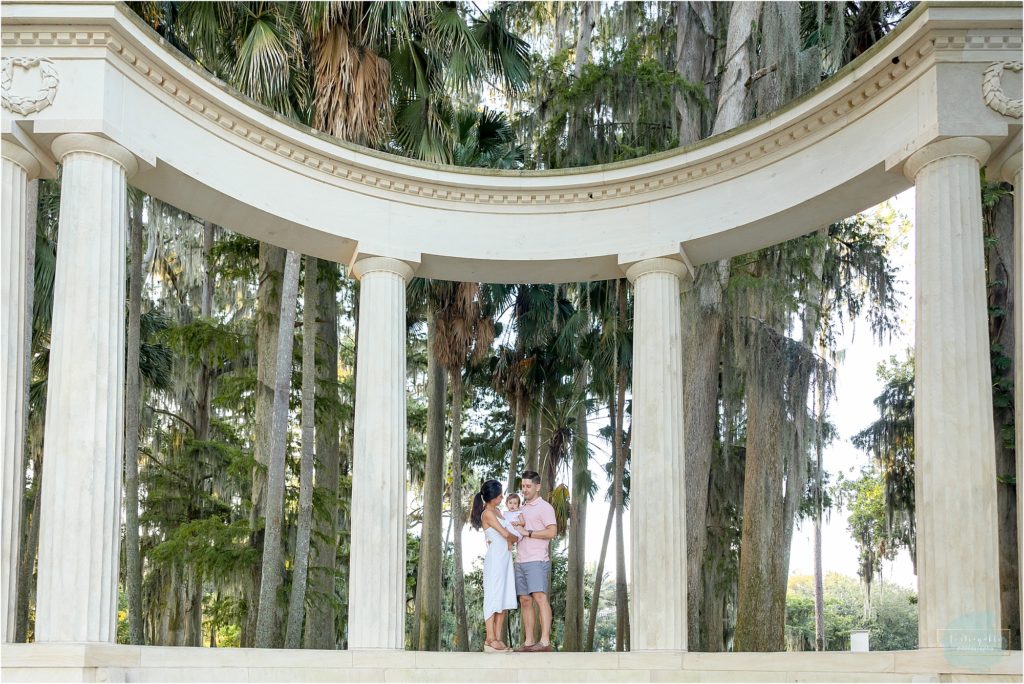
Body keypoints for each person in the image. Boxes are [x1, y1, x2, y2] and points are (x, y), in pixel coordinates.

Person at [511, 470, 557, 652]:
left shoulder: (545, 507)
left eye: (528, 486)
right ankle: (529, 642)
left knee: (539, 597)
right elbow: (515, 533)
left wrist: (528, 533)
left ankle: (545, 642)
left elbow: (552, 532)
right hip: (520, 560)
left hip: (537, 560)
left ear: (537, 487)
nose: (525, 489)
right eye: (523, 486)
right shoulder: (520, 509)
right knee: (524, 600)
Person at [470, 479, 518, 653]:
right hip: (496, 559)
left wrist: (512, 537)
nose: (502, 498)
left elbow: (510, 534)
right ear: (492, 498)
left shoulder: (498, 511)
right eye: (500, 496)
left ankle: (497, 638)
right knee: (493, 596)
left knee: (504, 596)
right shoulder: (488, 514)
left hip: (505, 559)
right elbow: (506, 534)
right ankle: (490, 639)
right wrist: (514, 537)